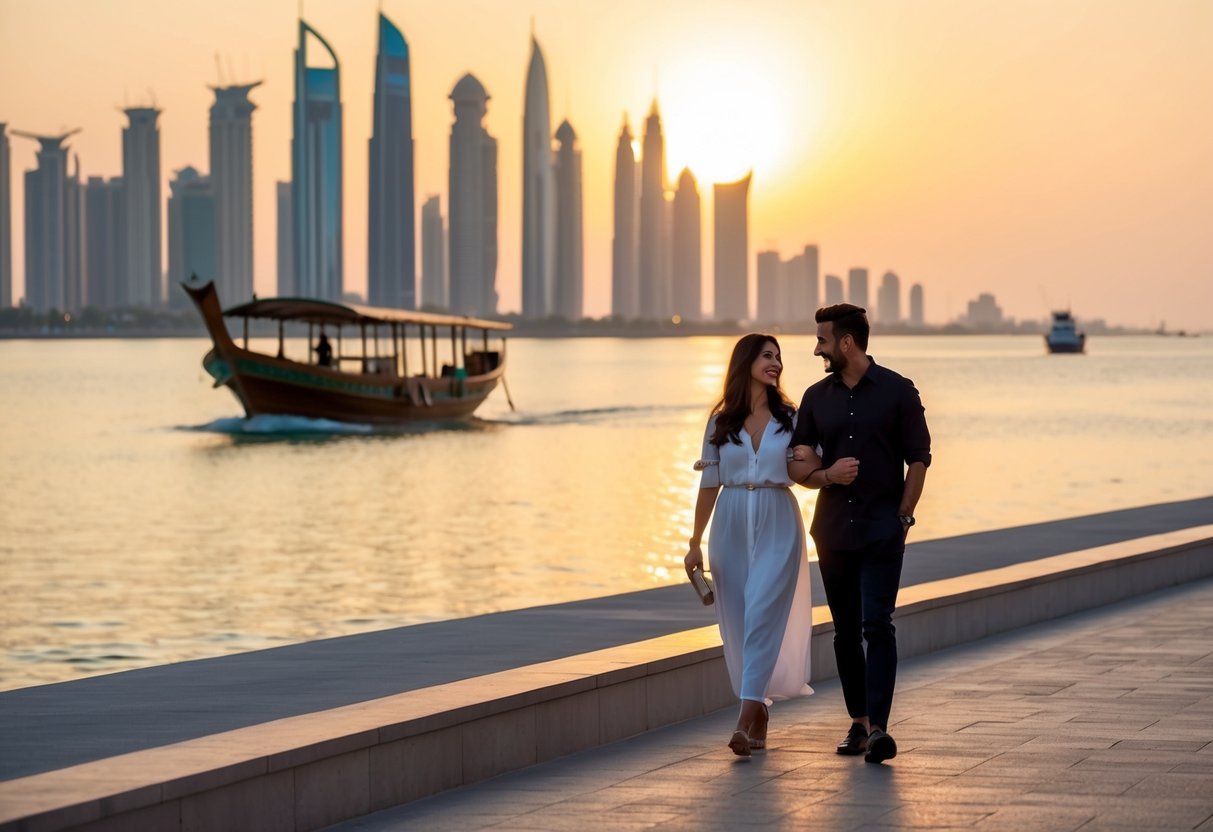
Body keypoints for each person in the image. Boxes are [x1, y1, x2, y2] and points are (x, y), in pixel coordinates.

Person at [788, 304, 931, 764]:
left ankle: (880, 730)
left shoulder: (898, 391)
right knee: (845, 632)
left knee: (877, 625)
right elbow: (799, 460)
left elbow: (919, 458)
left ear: (846, 342)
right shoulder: (815, 397)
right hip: (832, 531)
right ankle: (858, 724)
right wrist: (827, 474)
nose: (817, 350)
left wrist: (903, 517)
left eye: (822, 341)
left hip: (881, 529)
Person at [685, 334, 814, 758]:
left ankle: (743, 720)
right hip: (730, 521)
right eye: (767, 355)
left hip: (778, 517)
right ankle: (758, 711)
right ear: (746, 362)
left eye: (779, 357)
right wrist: (694, 543)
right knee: (738, 623)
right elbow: (708, 484)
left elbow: (809, 466)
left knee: (762, 613)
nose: (776, 363)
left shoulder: (792, 417)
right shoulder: (720, 421)